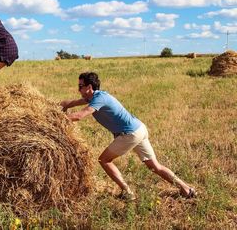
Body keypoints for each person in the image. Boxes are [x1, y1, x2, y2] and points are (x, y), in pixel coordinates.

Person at [60, 72, 196, 200]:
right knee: (155, 166)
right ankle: (186, 189)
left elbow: (79, 116)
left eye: (80, 86)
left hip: (130, 134)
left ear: (89, 87)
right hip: (139, 129)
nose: (78, 90)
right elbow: (70, 103)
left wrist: (58, 119)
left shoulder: (99, 99)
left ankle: (127, 192)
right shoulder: (95, 96)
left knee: (104, 160)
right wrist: (60, 106)